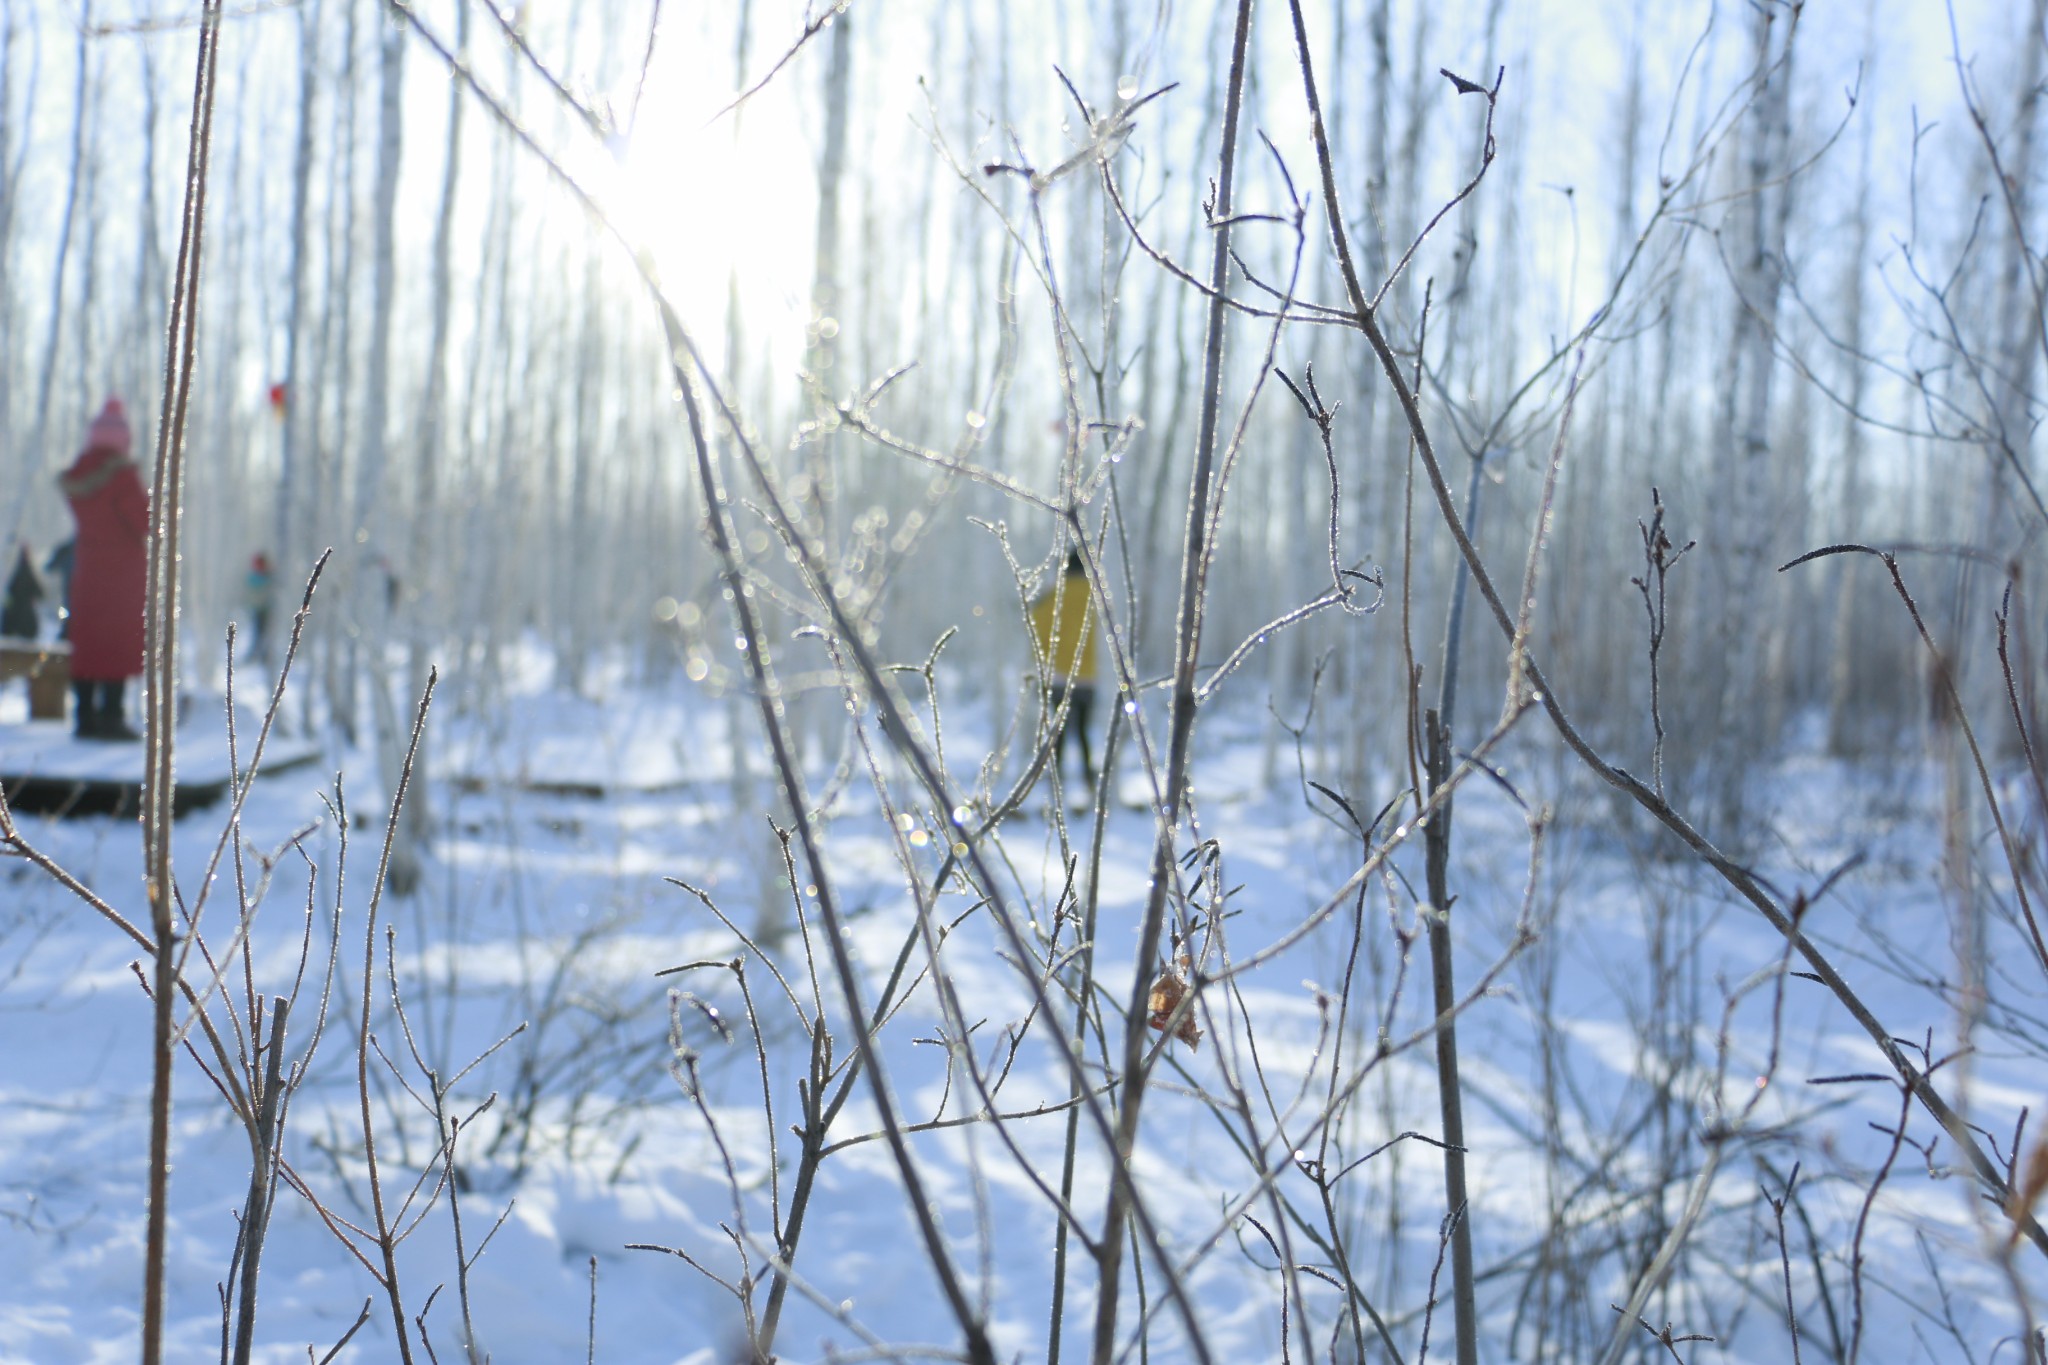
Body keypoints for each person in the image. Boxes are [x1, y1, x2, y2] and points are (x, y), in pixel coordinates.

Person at [59, 399, 148, 741]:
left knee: (88, 642)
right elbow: (145, 522)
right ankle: (111, 717)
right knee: (116, 644)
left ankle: (84, 717)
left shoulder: (80, 474)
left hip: (88, 568)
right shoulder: (122, 477)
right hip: (122, 574)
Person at [1027, 548, 1099, 794]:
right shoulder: (1095, 595)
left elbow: (1036, 624)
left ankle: (1056, 783)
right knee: (1082, 732)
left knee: (1058, 733)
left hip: (1058, 676)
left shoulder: (1055, 595)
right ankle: (1088, 779)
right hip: (1088, 676)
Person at [1, 544, 42, 639]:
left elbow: (10, 591)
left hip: (17, 615)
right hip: (25, 615)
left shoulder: (19, 572)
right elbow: (39, 592)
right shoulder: (27, 571)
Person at [243, 551, 275, 660]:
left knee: (264, 632)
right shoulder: (255, 577)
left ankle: (262, 654)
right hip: (258, 609)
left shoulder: (266, 576)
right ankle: (258, 654)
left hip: (265, 609)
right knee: (258, 632)